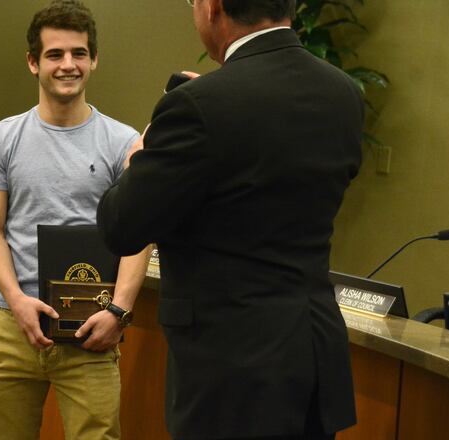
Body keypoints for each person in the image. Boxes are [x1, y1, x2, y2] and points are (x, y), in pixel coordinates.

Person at [96, 0, 362, 439]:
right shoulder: (345, 94)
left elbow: (122, 226)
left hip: (230, 370)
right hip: (314, 356)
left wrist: (139, 159)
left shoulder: (199, 107)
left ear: (213, 7)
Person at [0, 1, 150, 438]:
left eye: (78, 53)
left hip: (91, 330)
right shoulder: (1, 138)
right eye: (55, 55)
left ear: (93, 60)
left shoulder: (122, 142)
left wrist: (120, 312)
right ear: (34, 63)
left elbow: (139, 235)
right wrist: (16, 299)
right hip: (12, 326)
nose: (68, 65)